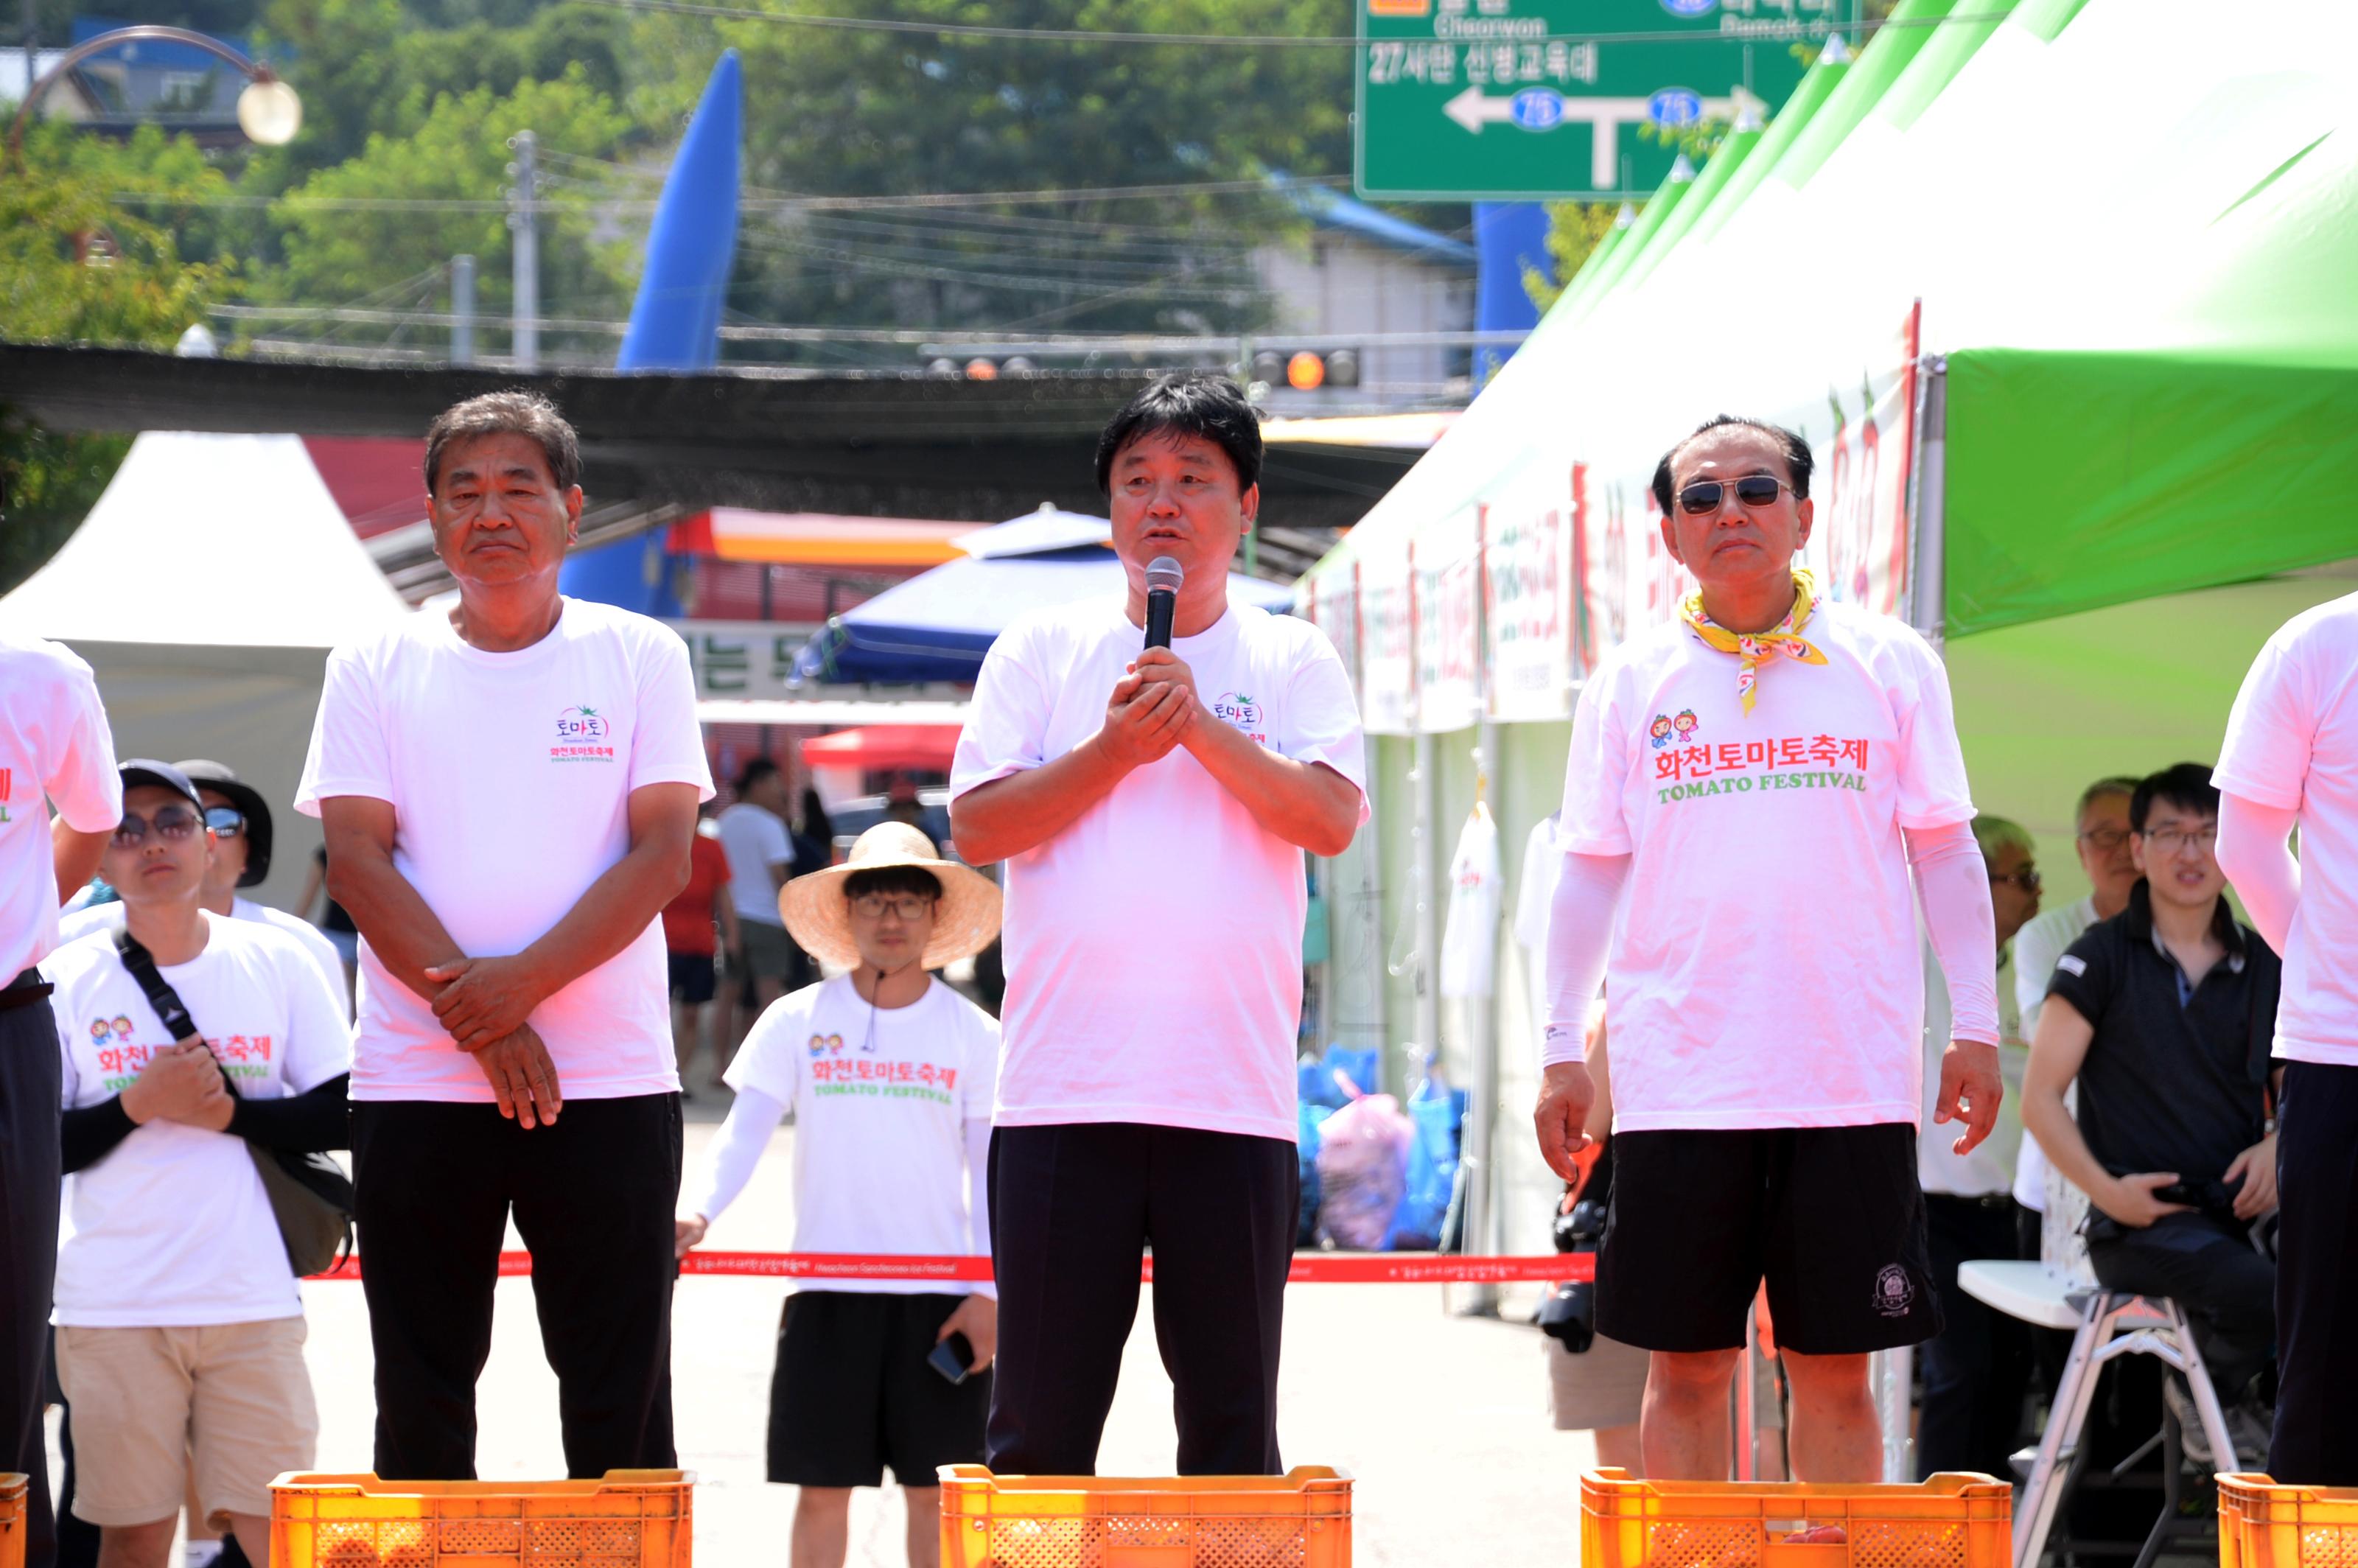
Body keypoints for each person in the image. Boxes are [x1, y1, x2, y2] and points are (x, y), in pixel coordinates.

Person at [1533, 415, 2003, 1484]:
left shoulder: (1888, 662)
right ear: (1668, 532)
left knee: (1833, 1372)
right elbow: (1587, 871)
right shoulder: (1630, 681)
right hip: (1681, 1085)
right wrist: (1563, 1048)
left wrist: (1975, 1028)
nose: (1729, 513)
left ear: (1802, 512)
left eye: (1755, 490)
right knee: (1689, 1369)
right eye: (1701, 498)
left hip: (1845, 1079)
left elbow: (1945, 851)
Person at [950, 371, 1366, 1475]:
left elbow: (1329, 820)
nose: (1164, 502)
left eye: (1194, 479)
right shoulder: (1037, 650)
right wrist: (1113, 752)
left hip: (1230, 1101)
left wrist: (1199, 731)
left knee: (1231, 1433)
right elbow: (980, 828)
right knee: (1038, 1432)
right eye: (1138, 481)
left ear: (1248, 506)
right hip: (1059, 1098)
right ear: (1111, 509)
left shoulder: (1293, 656)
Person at [297, 391, 712, 1479]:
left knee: (620, 1393)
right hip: (416, 1080)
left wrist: (517, 992)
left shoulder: (640, 655)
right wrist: (484, 1026)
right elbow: (357, 861)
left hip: (611, 1078)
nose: (492, 513)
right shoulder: (372, 664)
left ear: (571, 511)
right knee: (423, 1387)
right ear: (433, 520)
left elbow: (661, 854)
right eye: (464, 492)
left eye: (519, 487)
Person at [46, 761, 349, 1568]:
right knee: (134, 1535)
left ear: (215, 845)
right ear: (101, 861)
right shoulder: (66, 974)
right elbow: (37, 1146)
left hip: (251, 1300)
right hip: (113, 1307)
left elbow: (349, 1108)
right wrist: (134, 1105)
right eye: (126, 829)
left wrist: (230, 1114)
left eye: (175, 822)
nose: (153, 842)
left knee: (274, 1536)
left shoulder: (281, 959)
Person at [676, 823, 1001, 1568]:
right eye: (875, 901)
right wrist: (698, 1210)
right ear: (848, 914)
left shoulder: (974, 1034)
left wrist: (987, 1294)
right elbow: (741, 1132)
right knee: (821, 1490)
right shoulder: (795, 1019)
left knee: (938, 1494)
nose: (890, 920)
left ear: (935, 915)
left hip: (939, 1301)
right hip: (825, 1294)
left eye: (908, 903)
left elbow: (991, 1175)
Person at [2022, 763, 2278, 1464]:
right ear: (2138, 849)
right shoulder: (2096, 959)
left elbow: (2307, 1086)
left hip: (2240, 1215)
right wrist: (2108, 1194)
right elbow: (2039, 1099)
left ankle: (2232, 1402)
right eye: (2172, 834)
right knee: (2265, 1291)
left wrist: (2279, 1145)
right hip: (2140, 1221)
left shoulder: (2265, 962)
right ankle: (2214, 1393)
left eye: (2208, 835)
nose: (2191, 853)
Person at [2214, 591, 2358, 1485]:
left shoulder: (2316, 642)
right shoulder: (2314, 644)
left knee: (2331, 1356)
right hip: (2339, 1045)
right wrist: (2323, 960)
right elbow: (2245, 841)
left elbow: (2245, 848)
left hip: (2336, 1032)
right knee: (2330, 1356)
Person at [1, 630, 121, 1568]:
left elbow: (90, 820)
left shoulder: (38, 675)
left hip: (4, 1025)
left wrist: (18, 922)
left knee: (6, 1358)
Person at [1915, 815, 2040, 1479]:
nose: (2036, 891)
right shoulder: (1924, 956)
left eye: (2035, 876)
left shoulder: (2034, 964)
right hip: (1939, 1208)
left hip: (2012, 1210)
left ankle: (1988, 1523)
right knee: (1958, 1371)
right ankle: (1933, 1529)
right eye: (2019, 877)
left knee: (2008, 1374)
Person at [60, 761, 350, 1023]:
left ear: (243, 849)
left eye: (223, 821)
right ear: (104, 864)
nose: (160, 841)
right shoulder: (67, 943)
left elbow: (331, 1077)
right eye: (130, 829)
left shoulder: (302, 949)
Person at [2009, 776, 2141, 1231]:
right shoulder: (2045, 937)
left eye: (2134, 833)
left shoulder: (2198, 940)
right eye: (2106, 835)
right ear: (2082, 850)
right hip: (2056, 1186)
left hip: (2158, 1174)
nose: (2123, 849)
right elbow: (2041, 1035)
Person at [720, 757, 802, 1049]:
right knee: (769, 996)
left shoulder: (725, 820)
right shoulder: (770, 824)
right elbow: (781, 877)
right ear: (759, 785)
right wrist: (799, 918)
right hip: (767, 920)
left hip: (731, 918)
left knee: (728, 996)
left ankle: (719, 1067)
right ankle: (763, 1060)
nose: (780, 791)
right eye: (776, 784)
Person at [663, 805, 738, 1095]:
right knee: (660, 1012)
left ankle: (680, 1076)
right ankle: (663, 1074)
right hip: (664, 943)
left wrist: (732, 936)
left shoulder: (712, 848)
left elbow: (723, 894)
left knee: (692, 1013)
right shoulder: (662, 845)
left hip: (700, 944)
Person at [296, 844, 363, 992]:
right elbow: (308, 897)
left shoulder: (374, 852)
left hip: (368, 939)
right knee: (342, 987)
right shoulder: (325, 854)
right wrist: (292, 932)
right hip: (335, 935)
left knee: (360, 995)